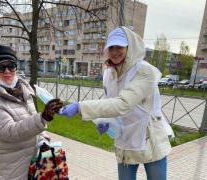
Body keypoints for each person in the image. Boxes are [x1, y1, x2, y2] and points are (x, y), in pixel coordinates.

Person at [60, 27, 173, 180]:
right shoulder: (109, 74)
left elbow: (122, 104)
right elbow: (109, 102)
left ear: (130, 46)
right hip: (125, 137)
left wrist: (80, 106)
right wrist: (104, 121)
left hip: (149, 137)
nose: (114, 52)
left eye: (119, 46)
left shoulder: (145, 72)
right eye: (111, 47)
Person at [0, 45, 63, 180]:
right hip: (8, 170)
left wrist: (43, 140)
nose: (7, 71)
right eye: (1, 67)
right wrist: (42, 117)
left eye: (11, 66)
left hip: (32, 163)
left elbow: (33, 120)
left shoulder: (24, 90)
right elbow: (8, 132)